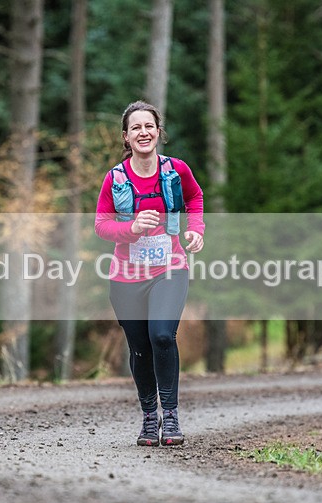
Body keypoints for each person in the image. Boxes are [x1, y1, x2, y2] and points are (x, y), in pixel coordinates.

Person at [94, 101, 205, 446]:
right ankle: (148, 418)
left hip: (169, 268)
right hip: (126, 278)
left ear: (159, 132)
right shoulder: (115, 179)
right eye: (135, 128)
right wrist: (132, 228)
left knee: (161, 336)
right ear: (126, 137)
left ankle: (170, 416)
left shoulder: (177, 171)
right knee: (140, 348)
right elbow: (101, 225)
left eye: (149, 126)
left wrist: (196, 229)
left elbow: (195, 197)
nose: (143, 132)